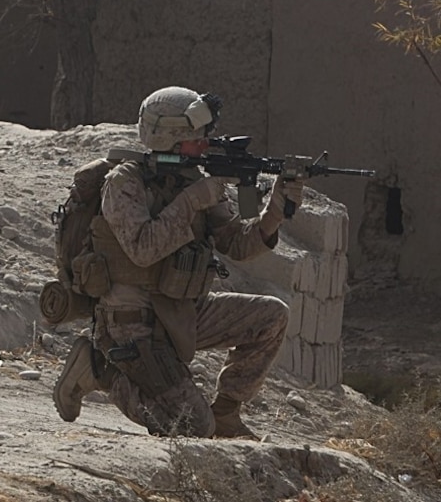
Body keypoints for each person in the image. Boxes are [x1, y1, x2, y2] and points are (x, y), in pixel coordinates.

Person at [52, 86, 301, 438]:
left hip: (183, 311)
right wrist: (191, 201)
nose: (205, 143)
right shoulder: (124, 181)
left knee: (273, 317)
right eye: (197, 137)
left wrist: (275, 210)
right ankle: (98, 370)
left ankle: (227, 414)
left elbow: (237, 243)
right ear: (171, 137)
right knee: (191, 427)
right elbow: (142, 249)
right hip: (133, 322)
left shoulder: (192, 179)